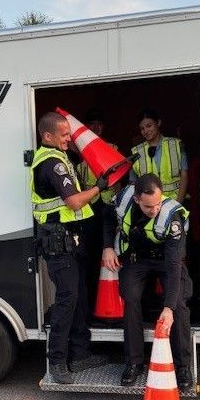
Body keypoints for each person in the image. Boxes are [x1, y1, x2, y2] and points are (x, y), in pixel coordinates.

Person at [31, 112, 112, 383]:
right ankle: (57, 362)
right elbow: (74, 202)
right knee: (66, 302)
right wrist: (98, 188)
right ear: (48, 136)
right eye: (64, 134)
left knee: (79, 297)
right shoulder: (52, 163)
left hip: (70, 241)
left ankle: (80, 353)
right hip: (59, 244)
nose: (70, 138)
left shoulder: (61, 158)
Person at [102, 173, 193, 390]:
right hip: (137, 258)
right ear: (136, 199)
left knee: (178, 304)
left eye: (158, 204)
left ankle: (182, 366)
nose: (155, 210)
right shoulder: (124, 199)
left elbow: (173, 266)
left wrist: (168, 307)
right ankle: (134, 362)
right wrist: (107, 246)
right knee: (131, 298)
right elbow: (107, 215)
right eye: (148, 207)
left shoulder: (172, 218)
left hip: (166, 261)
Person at [75, 108, 120, 311]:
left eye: (99, 124)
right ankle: (91, 304)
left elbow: (120, 180)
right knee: (90, 259)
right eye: (92, 124)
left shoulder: (112, 147)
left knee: (112, 254)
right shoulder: (79, 153)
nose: (96, 127)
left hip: (109, 208)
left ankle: (112, 305)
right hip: (88, 210)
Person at [129, 108, 188, 203]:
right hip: (148, 206)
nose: (146, 131)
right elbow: (132, 183)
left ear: (158, 123)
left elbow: (184, 176)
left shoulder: (176, 145)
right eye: (142, 128)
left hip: (174, 201)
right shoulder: (136, 152)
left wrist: (178, 205)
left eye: (149, 126)